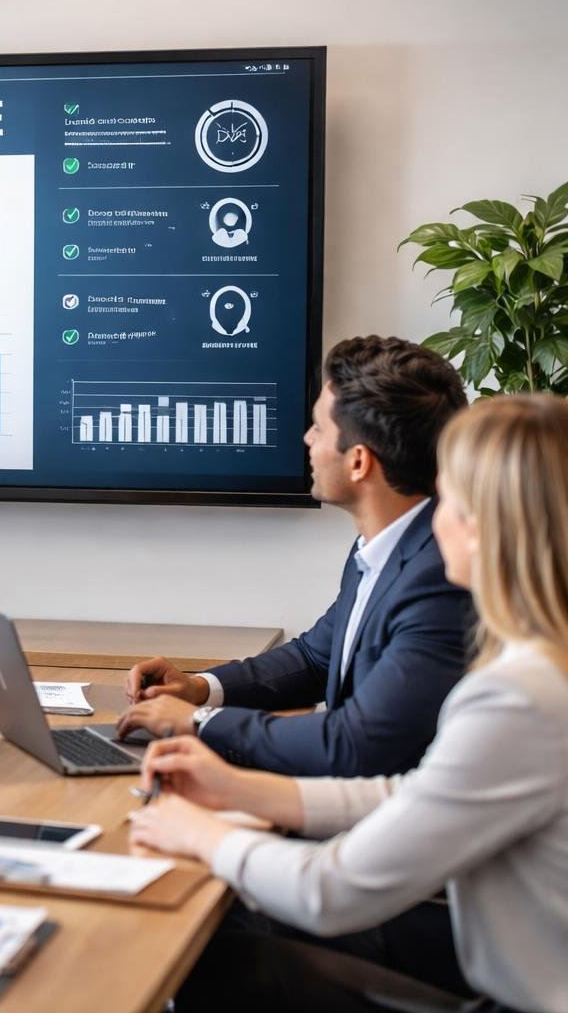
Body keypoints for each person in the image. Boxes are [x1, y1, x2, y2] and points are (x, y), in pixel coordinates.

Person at [130, 394, 568, 1013]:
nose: (434, 516)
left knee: (213, 945)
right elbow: (415, 795)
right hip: (508, 947)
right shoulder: (542, 665)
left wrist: (200, 834)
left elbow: (330, 891)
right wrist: (237, 790)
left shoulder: (519, 699)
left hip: (515, 990)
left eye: (450, 498)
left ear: (486, 526)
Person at [116, 336, 472, 776]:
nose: (306, 438)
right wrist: (199, 688)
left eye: (319, 428)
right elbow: (313, 659)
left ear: (359, 462)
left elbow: (356, 743)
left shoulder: (441, 577)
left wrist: (200, 723)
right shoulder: (387, 545)